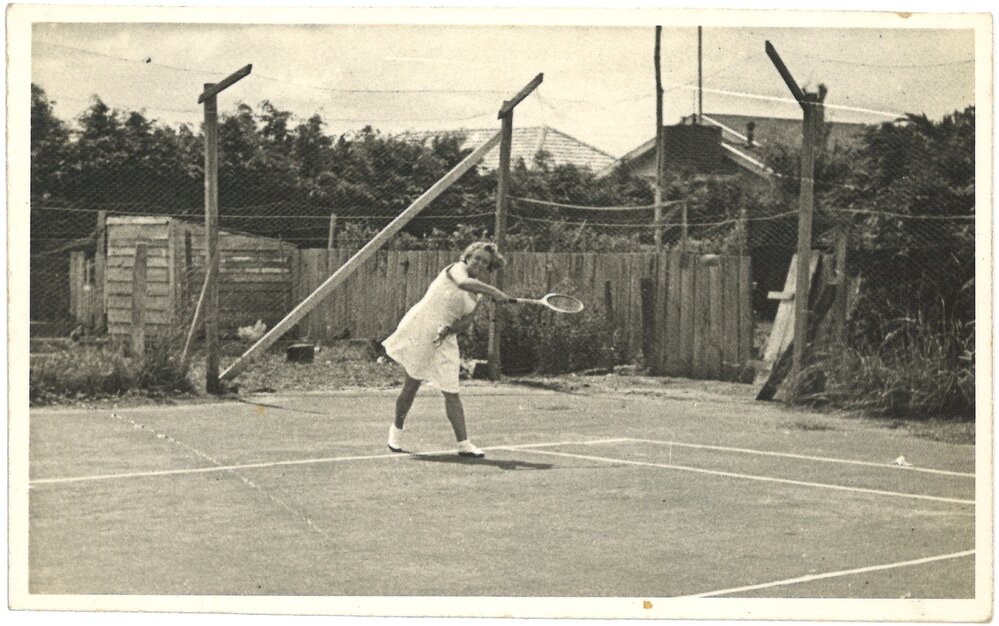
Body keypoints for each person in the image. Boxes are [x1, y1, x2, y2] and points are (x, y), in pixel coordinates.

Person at [381, 241, 514, 458]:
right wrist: (495, 292)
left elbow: (465, 323)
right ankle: (395, 432)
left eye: (485, 262)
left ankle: (463, 444)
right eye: (476, 258)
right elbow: (463, 283)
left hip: (446, 337)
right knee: (412, 384)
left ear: (489, 268)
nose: (479, 263)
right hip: (422, 328)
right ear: (467, 257)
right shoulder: (456, 269)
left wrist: (449, 328)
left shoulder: (477, 294)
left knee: (452, 392)